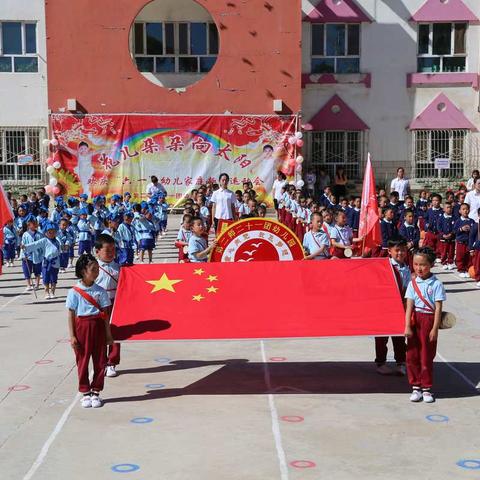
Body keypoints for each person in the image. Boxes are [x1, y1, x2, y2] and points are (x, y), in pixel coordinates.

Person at [66, 253, 113, 408]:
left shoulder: (101, 291)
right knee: (82, 360)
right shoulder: (74, 291)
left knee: (100, 361)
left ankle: (96, 391)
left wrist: (108, 334)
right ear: (82, 271)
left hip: (98, 326)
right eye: (93, 269)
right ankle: (85, 391)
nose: (96, 272)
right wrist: (72, 336)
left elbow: (105, 315)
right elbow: (71, 314)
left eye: (97, 269)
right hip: (81, 328)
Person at [404, 247, 446, 403]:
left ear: (431, 265)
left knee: (426, 356)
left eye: (422, 264)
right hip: (415, 320)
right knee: (412, 355)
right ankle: (415, 387)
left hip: (429, 320)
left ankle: (427, 388)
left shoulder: (436, 284)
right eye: (415, 264)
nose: (418, 268)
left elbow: (438, 308)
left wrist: (435, 328)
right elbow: (409, 306)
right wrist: (407, 326)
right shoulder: (412, 284)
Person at [375, 239, 410, 375]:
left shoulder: (406, 267)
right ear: (389, 251)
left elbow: (407, 286)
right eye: (397, 250)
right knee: (381, 338)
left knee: (400, 337)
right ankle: (380, 363)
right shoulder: (384, 266)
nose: (400, 253)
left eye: (403, 250)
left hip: (400, 306)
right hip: (384, 307)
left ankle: (401, 362)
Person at [94, 234, 120, 378]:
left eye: (113, 250)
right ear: (97, 251)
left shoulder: (119, 267)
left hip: (115, 303)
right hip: (99, 306)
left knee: (115, 334)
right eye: (107, 250)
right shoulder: (94, 267)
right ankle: (101, 361)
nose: (111, 253)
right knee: (100, 334)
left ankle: (112, 362)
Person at [22, 222, 61, 299]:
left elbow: (61, 249)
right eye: (49, 232)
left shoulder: (57, 241)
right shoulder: (44, 240)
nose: (52, 234)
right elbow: (35, 244)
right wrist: (25, 247)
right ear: (46, 233)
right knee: (46, 277)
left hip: (55, 262)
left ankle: (52, 292)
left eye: (53, 232)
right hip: (46, 262)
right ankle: (46, 292)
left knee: (54, 278)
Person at [20, 216, 43, 291]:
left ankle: (37, 284)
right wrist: (23, 253)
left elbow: (42, 245)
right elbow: (23, 244)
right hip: (28, 256)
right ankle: (28, 284)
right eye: (33, 223)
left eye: (36, 223)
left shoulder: (40, 234)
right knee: (27, 270)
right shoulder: (25, 235)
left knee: (37, 270)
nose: (35, 224)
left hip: (37, 255)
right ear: (28, 225)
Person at [454, 203, 475, 277]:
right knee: (460, 256)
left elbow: (474, 231)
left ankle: (468, 269)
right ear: (460, 211)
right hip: (460, 242)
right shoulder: (458, 221)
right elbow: (454, 231)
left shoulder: (471, 221)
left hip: (469, 242)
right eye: (463, 209)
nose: (466, 211)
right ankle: (461, 269)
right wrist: (461, 229)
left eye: (467, 209)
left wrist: (471, 230)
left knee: (469, 257)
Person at [437, 202, 456, 270]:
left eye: (450, 207)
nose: (449, 209)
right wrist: (443, 235)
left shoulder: (454, 218)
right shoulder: (441, 218)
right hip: (443, 239)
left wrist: (452, 233)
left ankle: (450, 262)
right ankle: (444, 262)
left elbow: (455, 227)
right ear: (444, 209)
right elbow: (439, 227)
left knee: (451, 251)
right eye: (447, 207)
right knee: (444, 251)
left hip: (452, 238)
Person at [469, 208, 480, 287]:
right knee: (478, 264)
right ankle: (479, 278)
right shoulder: (476, 225)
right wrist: (471, 248)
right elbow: (471, 237)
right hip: (478, 248)